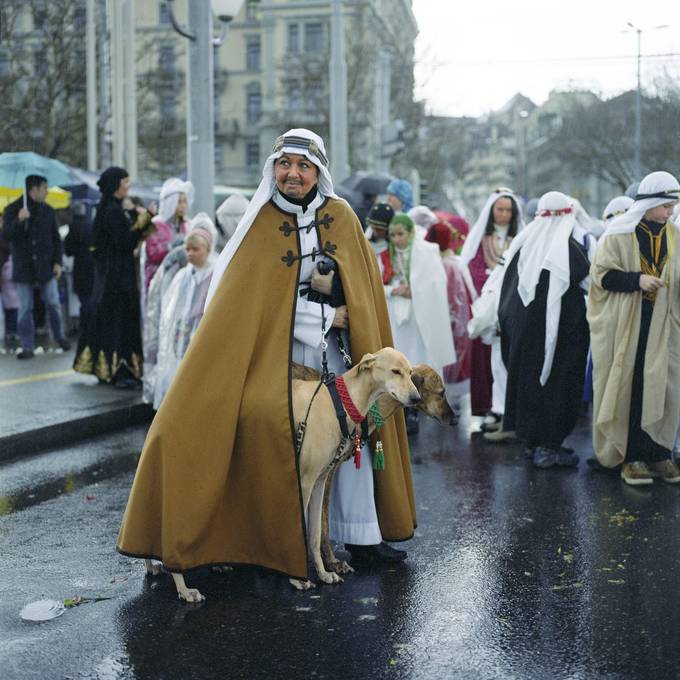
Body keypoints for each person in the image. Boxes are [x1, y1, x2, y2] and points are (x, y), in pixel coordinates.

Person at [117, 129, 417, 578]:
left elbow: (363, 293)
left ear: (318, 171)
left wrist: (343, 305)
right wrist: (319, 317)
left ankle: (361, 535)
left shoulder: (342, 217)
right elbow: (246, 306)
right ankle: (273, 542)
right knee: (269, 436)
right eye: (285, 164)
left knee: (354, 440)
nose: (292, 174)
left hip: (340, 356)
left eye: (303, 166)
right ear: (273, 168)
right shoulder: (258, 223)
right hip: (276, 358)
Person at [589, 171, 680, 486]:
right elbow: (601, 276)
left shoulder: (675, 235)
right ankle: (632, 458)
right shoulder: (618, 234)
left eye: (673, 206)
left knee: (665, 387)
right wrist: (637, 280)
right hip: (628, 323)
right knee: (632, 386)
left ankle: (659, 454)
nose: (670, 212)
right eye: (666, 206)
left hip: (664, 324)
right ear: (650, 203)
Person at [499, 191, 591, 468]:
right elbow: (588, 284)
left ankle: (533, 443)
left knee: (529, 384)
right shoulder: (568, 248)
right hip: (563, 339)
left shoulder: (523, 245)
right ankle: (548, 447)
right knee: (557, 387)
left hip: (525, 337)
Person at [73, 167, 155, 388]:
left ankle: (110, 370)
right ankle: (120, 372)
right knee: (120, 324)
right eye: (125, 182)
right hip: (117, 280)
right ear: (116, 185)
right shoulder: (113, 212)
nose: (128, 186)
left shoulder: (109, 209)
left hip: (110, 277)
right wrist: (146, 218)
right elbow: (125, 242)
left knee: (111, 324)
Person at [379, 212, 456, 433]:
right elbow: (377, 281)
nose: (396, 239)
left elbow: (436, 282)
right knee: (401, 359)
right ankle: (401, 403)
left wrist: (417, 291)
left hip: (419, 316)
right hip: (396, 313)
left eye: (401, 234)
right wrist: (394, 290)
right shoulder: (386, 254)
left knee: (420, 359)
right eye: (392, 235)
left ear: (411, 233)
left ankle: (417, 407)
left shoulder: (426, 252)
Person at [461, 188, 523, 427]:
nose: (504, 214)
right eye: (500, 209)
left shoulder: (519, 237)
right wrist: (491, 281)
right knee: (484, 360)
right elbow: (471, 266)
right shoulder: (481, 239)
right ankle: (488, 407)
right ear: (491, 211)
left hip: (511, 308)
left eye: (508, 210)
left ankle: (509, 409)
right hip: (487, 307)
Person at [152, 213, 217, 409]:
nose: (190, 254)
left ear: (207, 249)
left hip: (203, 329)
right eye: (187, 249)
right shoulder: (183, 275)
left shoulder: (215, 274)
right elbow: (172, 305)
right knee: (182, 366)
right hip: (183, 328)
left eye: (195, 249)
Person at [2, 174, 70, 358]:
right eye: (44, 188)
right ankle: (27, 346)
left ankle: (60, 336)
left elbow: (56, 239)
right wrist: (19, 220)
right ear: (34, 189)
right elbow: (6, 235)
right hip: (23, 267)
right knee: (24, 308)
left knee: (53, 303)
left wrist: (57, 262)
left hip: (45, 266)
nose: (46, 192)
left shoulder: (47, 211)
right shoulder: (13, 209)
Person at [425, 220, 473, 401]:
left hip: (446, 324)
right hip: (452, 324)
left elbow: (453, 302)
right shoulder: (454, 263)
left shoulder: (446, 266)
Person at [143, 178, 193, 292]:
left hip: (181, 281)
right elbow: (152, 253)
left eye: (184, 201)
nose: (183, 205)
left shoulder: (187, 225)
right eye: (179, 202)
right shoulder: (155, 225)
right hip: (159, 281)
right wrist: (170, 247)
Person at [64, 201, 95, 332]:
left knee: (84, 299)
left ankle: (85, 325)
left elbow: (68, 250)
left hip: (79, 267)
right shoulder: (91, 226)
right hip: (92, 266)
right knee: (90, 297)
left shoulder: (72, 228)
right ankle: (92, 324)